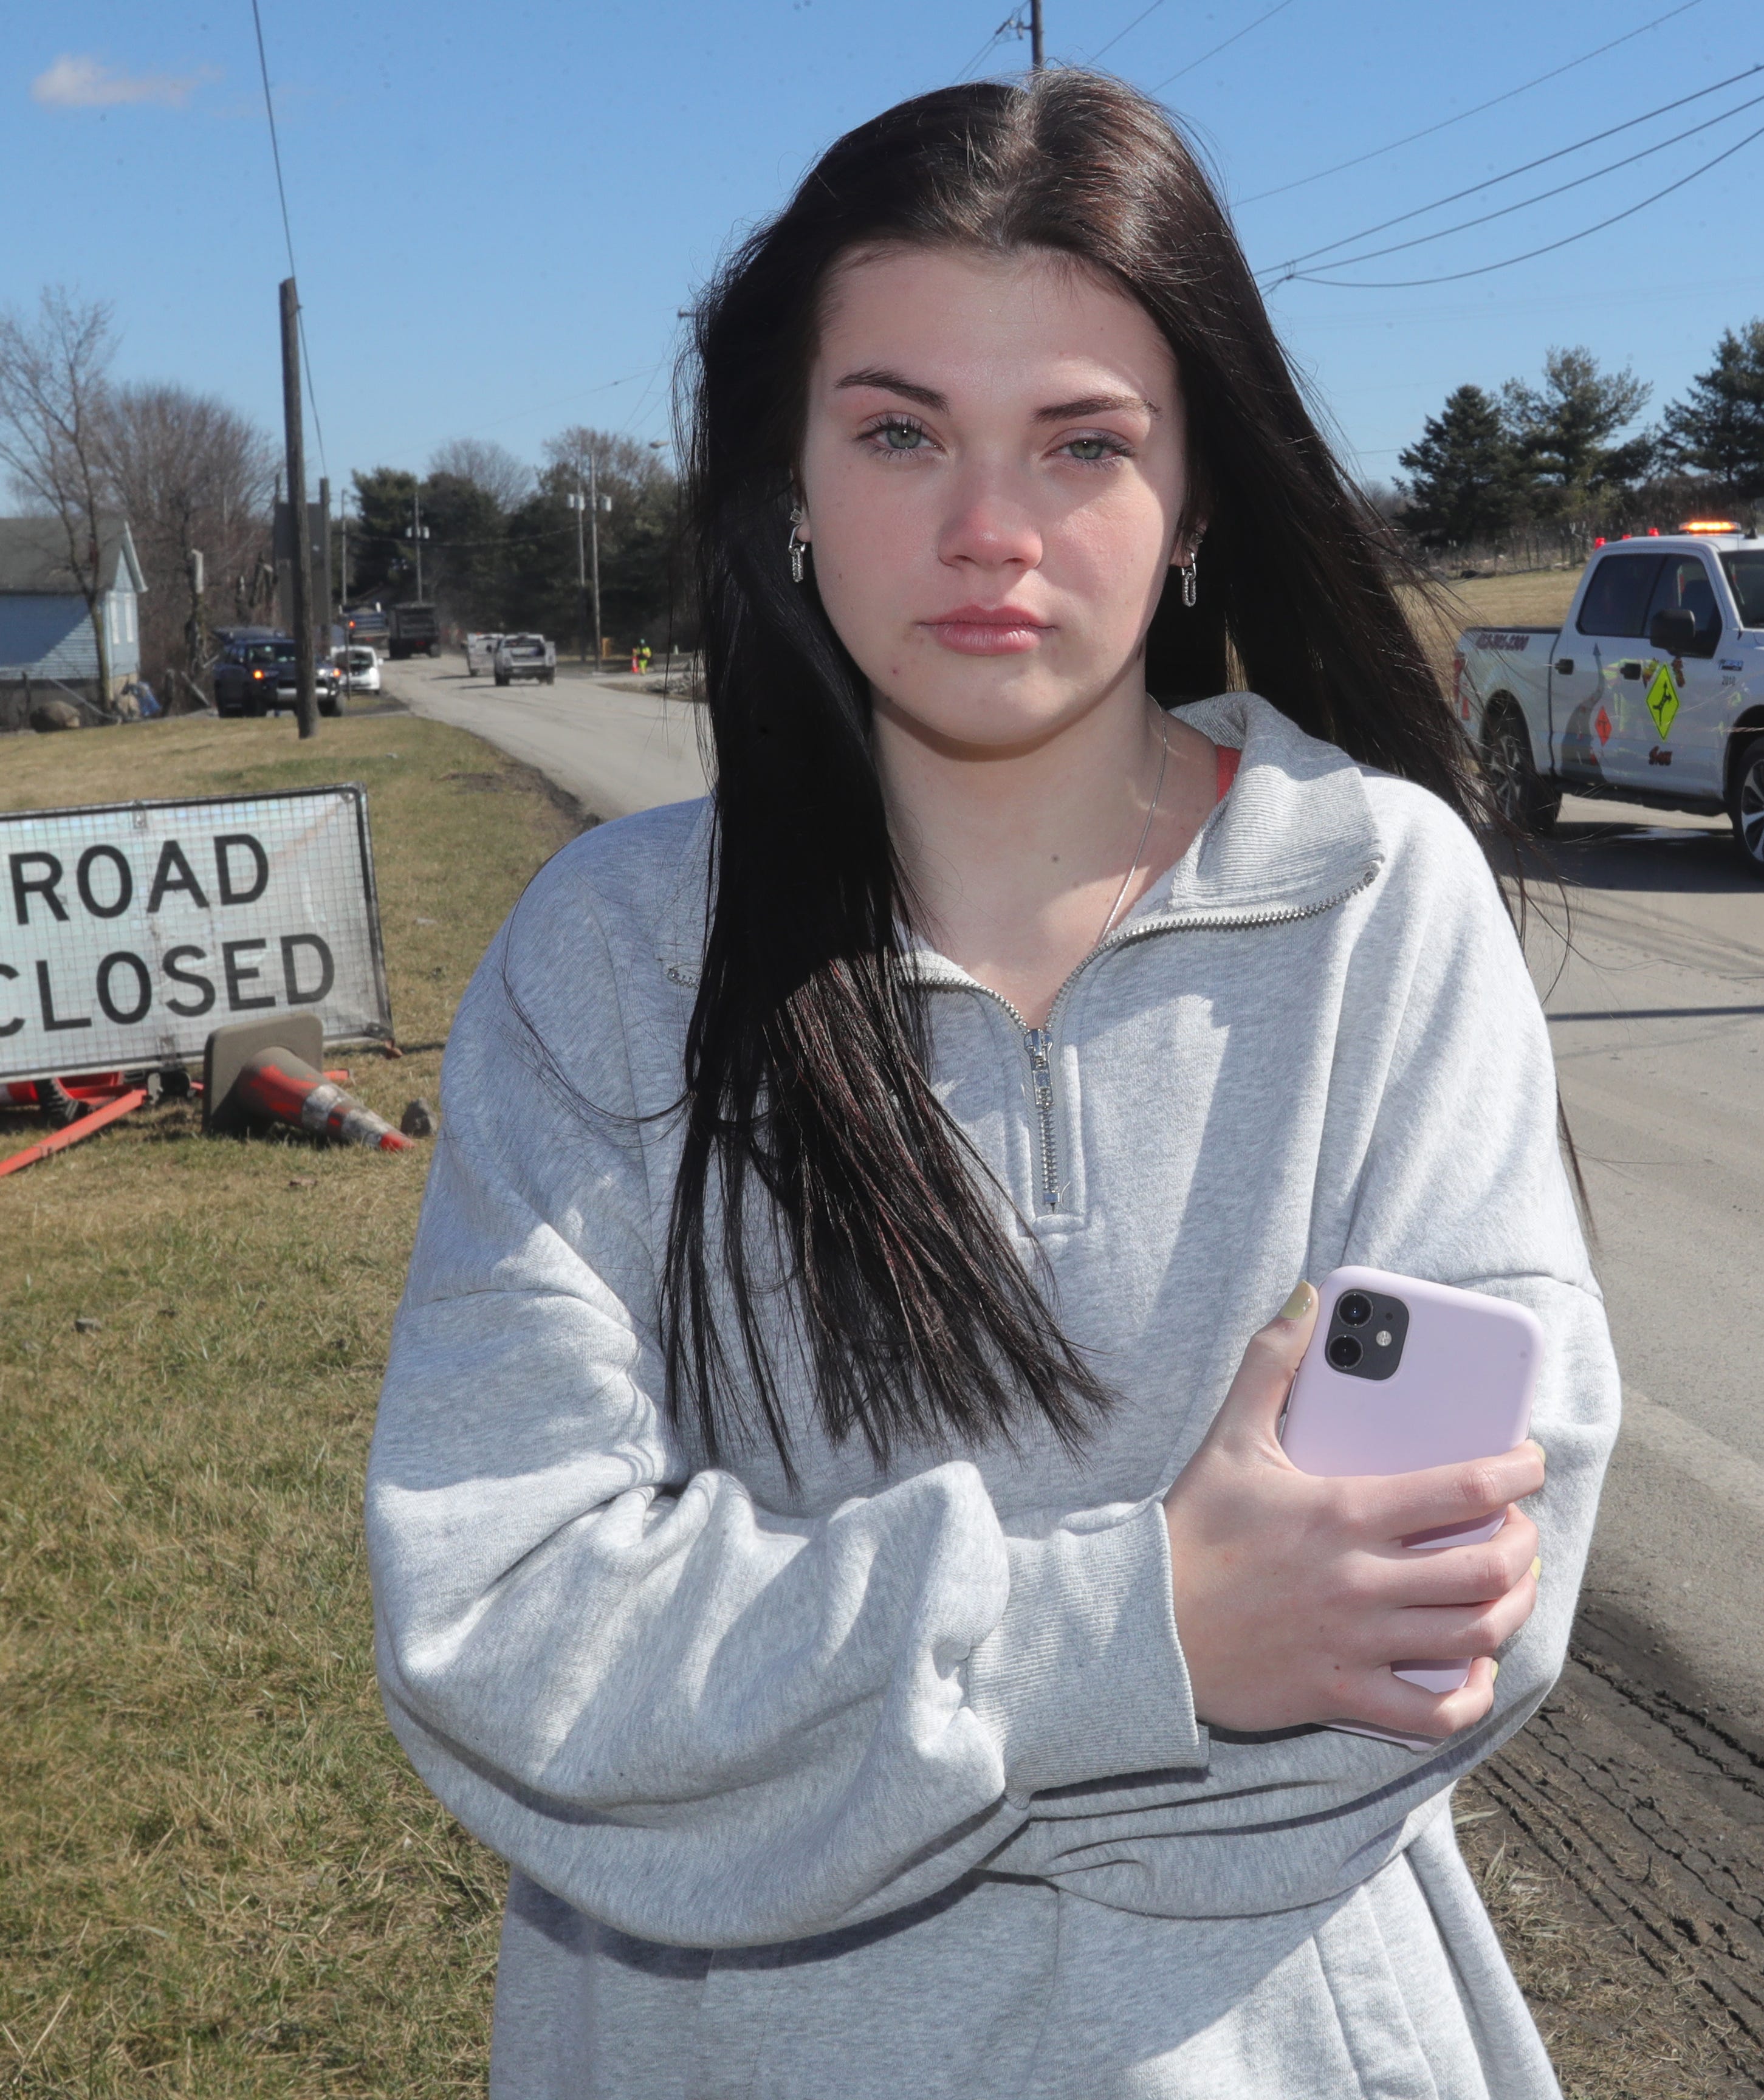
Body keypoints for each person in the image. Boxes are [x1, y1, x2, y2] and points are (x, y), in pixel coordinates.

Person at [368, 69, 1618, 2099]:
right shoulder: (609, 967)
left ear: (1197, 492)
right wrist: (1153, 1634)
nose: (987, 531)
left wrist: (796, 1785)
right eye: (897, 431)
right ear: (787, 470)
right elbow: (513, 1640)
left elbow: (1459, 1607)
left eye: (1084, 442)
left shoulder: (1381, 908)